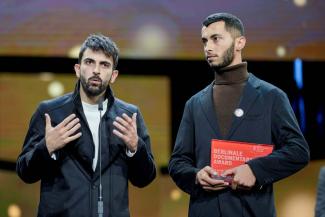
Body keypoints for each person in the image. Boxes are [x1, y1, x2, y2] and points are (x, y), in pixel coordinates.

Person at [168, 12, 309, 217]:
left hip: (253, 210)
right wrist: (196, 176)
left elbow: (298, 151)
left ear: (239, 42)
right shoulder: (194, 104)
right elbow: (178, 162)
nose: (208, 47)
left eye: (216, 39)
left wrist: (255, 170)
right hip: (205, 210)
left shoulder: (271, 96)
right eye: (204, 41)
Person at [16, 33, 156, 217]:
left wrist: (135, 148)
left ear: (113, 75)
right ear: (77, 68)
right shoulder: (50, 112)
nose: (96, 70)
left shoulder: (129, 116)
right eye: (90, 62)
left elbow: (144, 178)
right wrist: (46, 148)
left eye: (104, 64)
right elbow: (25, 173)